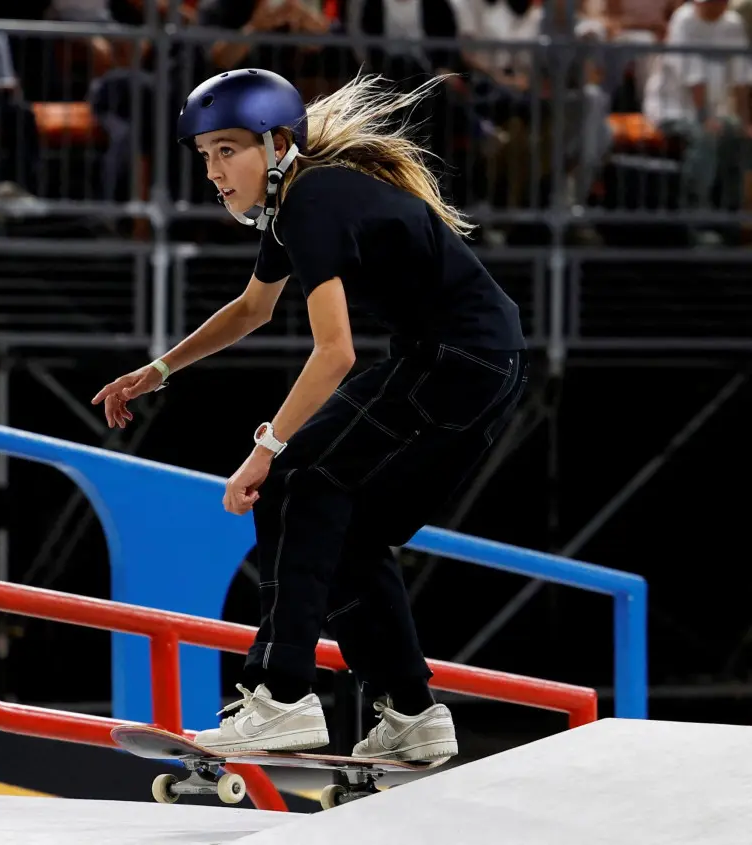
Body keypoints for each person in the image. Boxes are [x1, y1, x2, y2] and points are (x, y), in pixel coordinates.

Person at [91, 69, 528, 762]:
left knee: (297, 479)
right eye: (205, 155)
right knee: (345, 530)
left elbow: (335, 353)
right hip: (475, 363)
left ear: (277, 142)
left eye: (228, 150)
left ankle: (282, 692)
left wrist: (266, 446)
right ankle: (414, 713)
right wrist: (160, 370)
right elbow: (252, 309)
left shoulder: (310, 201)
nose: (215, 172)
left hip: (452, 362)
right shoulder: (297, 197)